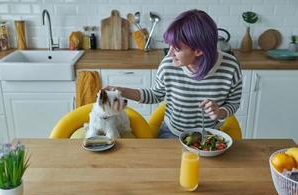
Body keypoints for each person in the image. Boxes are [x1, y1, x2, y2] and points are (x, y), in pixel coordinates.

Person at [104, 9, 242, 138]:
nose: (169, 53)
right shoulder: (168, 65)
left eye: (176, 48)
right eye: (169, 45)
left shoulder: (230, 67)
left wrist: (220, 112)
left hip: (209, 136)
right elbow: (155, 95)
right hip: (171, 134)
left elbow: (233, 102)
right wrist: (121, 91)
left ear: (198, 51)